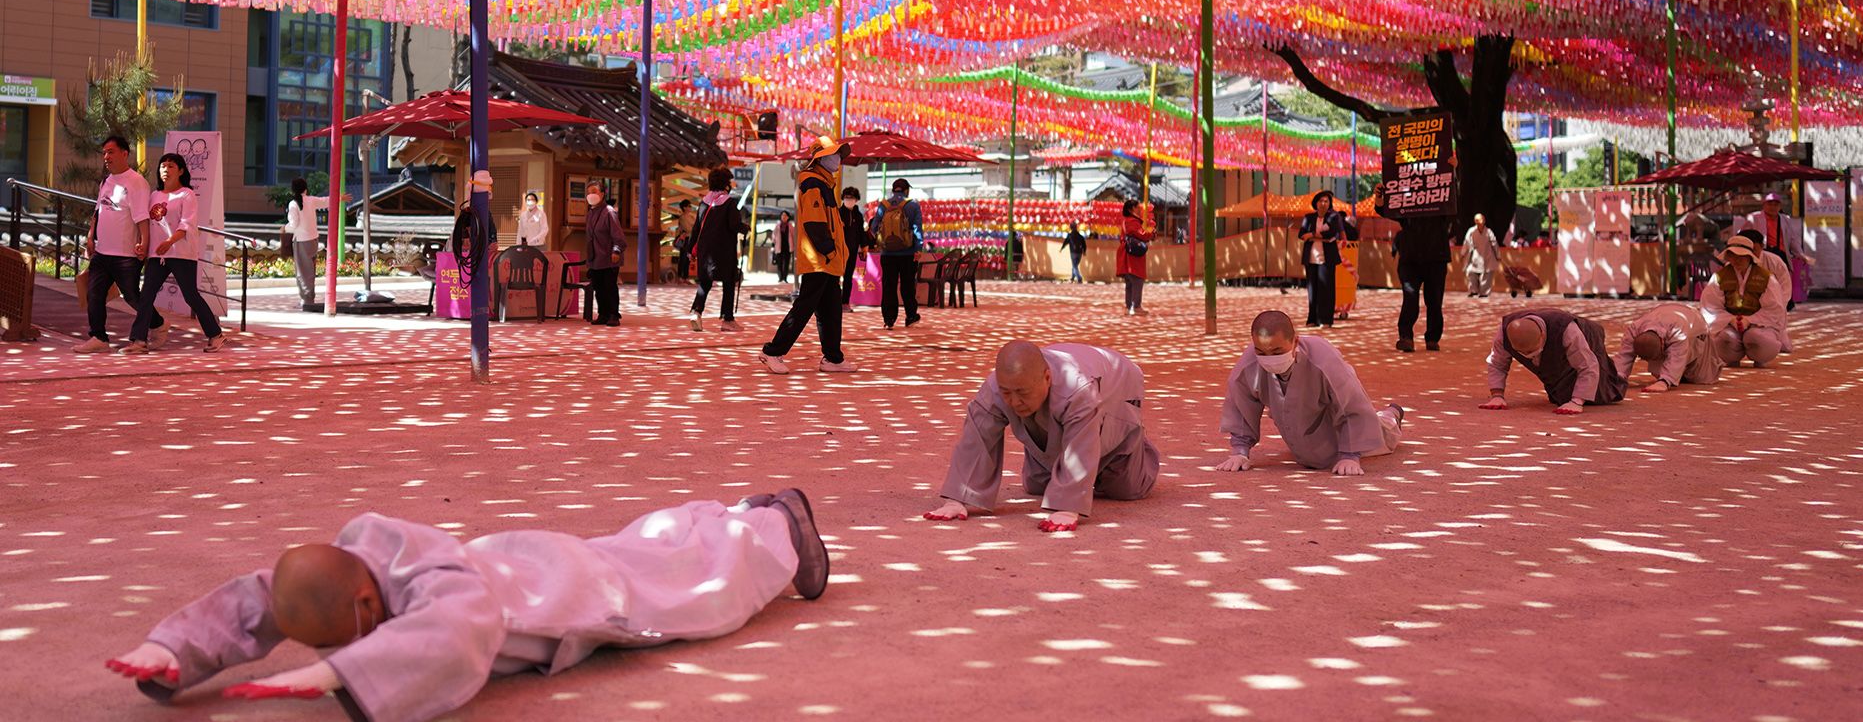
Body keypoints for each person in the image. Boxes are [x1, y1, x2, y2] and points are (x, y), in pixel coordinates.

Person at [104, 490, 830, 722]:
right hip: (534, 557)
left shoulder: (440, 585)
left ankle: (771, 521)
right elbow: (266, 596)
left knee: (699, 592)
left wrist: (335, 677)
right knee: (647, 547)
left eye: (339, 639)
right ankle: (725, 508)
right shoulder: (347, 565)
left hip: (564, 587)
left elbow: (458, 632)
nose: (329, 650)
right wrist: (175, 650)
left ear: (366, 598)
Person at [924, 341, 1160, 532]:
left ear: (1047, 378)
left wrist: (1067, 507)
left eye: (1022, 393)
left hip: (1118, 387)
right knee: (1038, 486)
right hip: (1068, 388)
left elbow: (1082, 445)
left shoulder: (1077, 389)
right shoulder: (995, 386)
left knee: (1126, 489)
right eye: (1007, 393)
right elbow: (976, 438)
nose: (1014, 402)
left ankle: (1135, 442)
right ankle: (1053, 455)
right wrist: (957, 499)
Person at [1214, 310, 1407, 476]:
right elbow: (1240, 403)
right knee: (1312, 452)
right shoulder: (1250, 363)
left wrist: (1350, 455)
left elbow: (1351, 403)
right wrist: (1240, 450)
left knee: (1381, 434)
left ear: (1295, 342)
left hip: (1331, 416)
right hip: (1300, 428)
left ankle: (1391, 416)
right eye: (1261, 352)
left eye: (1277, 351)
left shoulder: (1323, 358)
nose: (1269, 358)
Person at [759, 135, 854, 374]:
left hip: (827, 261)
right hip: (819, 259)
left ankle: (833, 358)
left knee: (830, 310)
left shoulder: (824, 183)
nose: (838, 159)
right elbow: (815, 223)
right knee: (804, 308)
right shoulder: (813, 183)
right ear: (819, 158)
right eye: (833, 154)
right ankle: (772, 352)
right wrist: (829, 250)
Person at [74, 135, 168, 353]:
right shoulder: (106, 182)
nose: (106, 157)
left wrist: (144, 244)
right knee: (94, 294)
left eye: (111, 152)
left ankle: (159, 324)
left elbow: (142, 217)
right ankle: (99, 337)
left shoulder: (136, 182)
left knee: (132, 296)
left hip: (126, 254)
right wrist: (90, 236)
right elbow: (98, 211)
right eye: (104, 153)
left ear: (125, 153)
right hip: (102, 252)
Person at [123, 153, 225, 354]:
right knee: (146, 295)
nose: (165, 170)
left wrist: (169, 241)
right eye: (163, 166)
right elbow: (149, 224)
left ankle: (216, 335)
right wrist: (142, 245)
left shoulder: (186, 195)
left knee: (190, 296)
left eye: (170, 166)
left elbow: (186, 224)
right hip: (157, 255)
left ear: (181, 171)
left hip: (181, 254)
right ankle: (139, 341)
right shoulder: (154, 195)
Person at [1479, 308, 1627, 414]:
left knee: (1600, 394)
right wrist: (1497, 396)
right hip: (1557, 348)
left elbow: (1588, 366)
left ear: (1543, 335)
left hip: (1587, 335)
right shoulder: (1504, 333)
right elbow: (1497, 363)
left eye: (1531, 351)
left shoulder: (1568, 331)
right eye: (1522, 353)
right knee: (1561, 397)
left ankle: (1619, 376)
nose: (1528, 356)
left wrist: (1577, 402)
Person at [1372, 184, 1449, 350]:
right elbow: (1385, 210)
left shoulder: (1443, 205)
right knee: (1410, 297)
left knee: (1434, 301)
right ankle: (1406, 337)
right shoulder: (1407, 206)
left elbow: (1457, 198)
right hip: (1410, 260)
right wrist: (1380, 197)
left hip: (1436, 259)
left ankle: (1432, 338)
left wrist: (1453, 171)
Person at [1700, 235, 1786, 367]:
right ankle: (1731, 358)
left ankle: (1760, 358)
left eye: (1741, 256)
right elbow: (1710, 308)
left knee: (1755, 338)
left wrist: (1750, 320)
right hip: (1730, 326)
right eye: (1733, 256)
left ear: (1750, 257)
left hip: (1759, 327)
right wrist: (1731, 320)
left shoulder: (1766, 278)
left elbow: (1774, 309)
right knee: (1724, 340)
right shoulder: (1719, 277)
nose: (1737, 260)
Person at [1610, 302, 1721, 393]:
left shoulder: (1678, 332)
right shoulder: (1634, 329)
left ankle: (1681, 373)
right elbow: (1624, 355)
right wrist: (1617, 376)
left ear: (1663, 344)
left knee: (1701, 378)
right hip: (1666, 310)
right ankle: (1677, 374)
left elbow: (1678, 355)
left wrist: (1664, 382)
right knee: (1659, 371)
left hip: (1696, 324)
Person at [689, 168, 747, 333]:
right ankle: (727, 319)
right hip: (724, 251)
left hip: (705, 251)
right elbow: (734, 225)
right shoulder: (729, 203)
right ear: (725, 184)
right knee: (728, 282)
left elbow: (696, 228)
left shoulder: (704, 202)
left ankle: (696, 312)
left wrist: (690, 250)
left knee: (705, 283)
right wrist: (745, 228)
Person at [281, 176, 344, 313]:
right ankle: (309, 299)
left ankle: (306, 301)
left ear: (293, 190)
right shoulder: (311, 200)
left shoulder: (293, 204)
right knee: (310, 271)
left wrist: (284, 229)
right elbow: (326, 201)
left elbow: (294, 224)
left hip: (301, 240)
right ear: (306, 188)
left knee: (303, 272)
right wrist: (340, 197)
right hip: (313, 240)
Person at [869, 178, 923, 329]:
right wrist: (918, 248)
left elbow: (873, 228)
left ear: (893, 190)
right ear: (906, 190)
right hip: (908, 253)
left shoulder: (883, 205)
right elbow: (917, 228)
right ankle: (911, 316)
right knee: (907, 286)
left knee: (889, 286)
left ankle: (889, 320)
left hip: (887, 254)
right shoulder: (912, 205)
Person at [1298, 191, 1357, 329]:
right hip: (1311, 257)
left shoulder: (1333, 217)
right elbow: (1301, 234)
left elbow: (1331, 234)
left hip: (1327, 258)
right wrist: (1317, 235)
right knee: (1312, 289)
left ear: (1329, 204)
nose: (1323, 204)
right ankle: (1312, 319)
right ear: (1316, 203)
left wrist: (1311, 235)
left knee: (1327, 289)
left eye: (1326, 201)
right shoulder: (1308, 217)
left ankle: (1326, 319)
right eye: (1321, 201)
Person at [1742, 193, 1807, 304]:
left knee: (1781, 281)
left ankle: (1782, 303)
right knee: (1761, 280)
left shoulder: (1785, 219)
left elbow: (1792, 239)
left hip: (1781, 254)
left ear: (1780, 206)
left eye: (1776, 204)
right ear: (1764, 205)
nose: (1773, 207)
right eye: (1770, 204)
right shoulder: (1754, 218)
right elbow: (1743, 235)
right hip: (1762, 253)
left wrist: (1800, 254)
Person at [582, 180, 625, 327]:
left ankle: (613, 314)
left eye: (594, 191)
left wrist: (616, 250)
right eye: (588, 192)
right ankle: (603, 313)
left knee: (609, 286)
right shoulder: (591, 213)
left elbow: (618, 235)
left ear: (602, 194)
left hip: (609, 256)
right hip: (595, 257)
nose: (591, 195)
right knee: (598, 287)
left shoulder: (609, 212)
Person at [1118, 199, 1155, 316]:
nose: (1140, 210)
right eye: (1137, 208)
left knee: (1129, 283)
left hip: (1126, 255)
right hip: (1133, 257)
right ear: (1131, 209)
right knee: (1137, 280)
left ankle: (1129, 307)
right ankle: (1136, 306)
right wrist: (1152, 234)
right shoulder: (1132, 222)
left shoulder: (1125, 221)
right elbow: (1141, 234)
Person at [838, 186, 870, 307]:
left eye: (851, 198)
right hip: (839, 250)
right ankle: (834, 302)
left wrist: (864, 245)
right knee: (835, 276)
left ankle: (845, 302)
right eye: (846, 198)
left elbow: (861, 232)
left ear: (856, 200)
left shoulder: (858, 215)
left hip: (852, 250)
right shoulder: (838, 213)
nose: (848, 200)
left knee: (848, 276)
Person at [1463, 212, 1501, 298]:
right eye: (1476, 219)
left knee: (1486, 275)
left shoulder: (1488, 231)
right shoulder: (1471, 231)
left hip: (1487, 255)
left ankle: (1484, 293)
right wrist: (1463, 253)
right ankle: (1473, 291)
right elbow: (1466, 242)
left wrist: (1498, 255)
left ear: (1484, 221)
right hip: (1475, 256)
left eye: (1480, 219)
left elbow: (1494, 243)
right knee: (1471, 272)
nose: (1478, 221)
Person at [671, 199, 697, 283]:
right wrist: (693, 228)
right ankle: (680, 276)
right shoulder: (682, 217)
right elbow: (687, 228)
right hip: (686, 239)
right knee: (683, 258)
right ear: (684, 207)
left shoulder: (691, 216)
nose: (690, 207)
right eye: (689, 206)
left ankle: (685, 277)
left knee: (688, 258)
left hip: (691, 238)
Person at [771, 211, 795, 283]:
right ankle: (780, 277)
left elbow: (794, 235)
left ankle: (785, 278)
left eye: (785, 215)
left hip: (788, 246)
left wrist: (794, 245)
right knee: (779, 263)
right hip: (779, 246)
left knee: (786, 263)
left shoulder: (790, 226)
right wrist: (773, 245)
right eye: (782, 215)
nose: (783, 217)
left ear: (788, 217)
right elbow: (773, 236)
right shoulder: (778, 225)